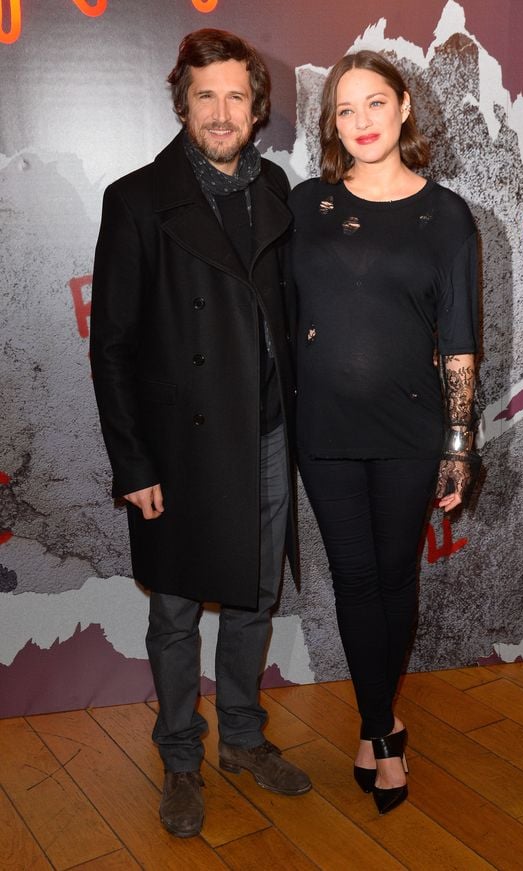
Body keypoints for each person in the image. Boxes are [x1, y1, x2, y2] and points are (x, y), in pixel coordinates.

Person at [90, 28, 311, 839]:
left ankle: (244, 738)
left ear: (257, 110)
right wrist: (132, 461)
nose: (221, 113)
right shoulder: (138, 198)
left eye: (236, 97)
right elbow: (110, 345)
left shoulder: (278, 187)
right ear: (182, 101)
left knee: (254, 595)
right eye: (205, 95)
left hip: (265, 434)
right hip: (178, 449)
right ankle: (181, 756)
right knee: (176, 610)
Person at [290, 51, 479, 815]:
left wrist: (460, 443)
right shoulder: (306, 205)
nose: (362, 121)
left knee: (396, 578)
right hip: (323, 426)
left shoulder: (447, 214)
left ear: (404, 107)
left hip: (409, 427)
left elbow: (460, 338)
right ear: (332, 123)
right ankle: (382, 725)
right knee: (353, 576)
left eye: (375, 103)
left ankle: (375, 730)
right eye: (345, 109)